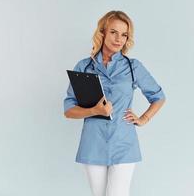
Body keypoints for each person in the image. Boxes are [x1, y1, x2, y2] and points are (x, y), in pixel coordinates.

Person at [63, 10, 165, 196]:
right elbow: (69, 110)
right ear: (102, 32)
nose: (119, 39)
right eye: (113, 32)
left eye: (124, 34)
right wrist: (94, 110)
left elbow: (159, 96)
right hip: (93, 143)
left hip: (123, 142)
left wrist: (144, 118)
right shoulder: (84, 67)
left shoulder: (133, 67)